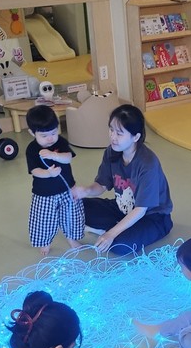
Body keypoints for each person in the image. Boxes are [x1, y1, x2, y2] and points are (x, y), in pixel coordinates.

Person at [71, 104, 173, 254]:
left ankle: (116, 229)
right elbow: (102, 185)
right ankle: (119, 227)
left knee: (120, 246)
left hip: (152, 217)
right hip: (123, 207)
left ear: (136, 137)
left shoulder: (147, 164)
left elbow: (140, 209)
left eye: (119, 133)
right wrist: (84, 191)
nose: (113, 137)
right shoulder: (112, 152)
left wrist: (111, 234)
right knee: (75, 206)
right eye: (111, 130)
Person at [25, 104, 85, 256]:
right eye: (44, 136)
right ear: (32, 133)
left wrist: (54, 155)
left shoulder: (61, 142)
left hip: (67, 188)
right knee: (44, 219)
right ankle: (45, 242)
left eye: (53, 133)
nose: (50, 138)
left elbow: (68, 157)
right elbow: (34, 171)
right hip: (44, 193)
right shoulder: (32, 149)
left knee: (71, 215)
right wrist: (48, 173)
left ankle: (71, 238)